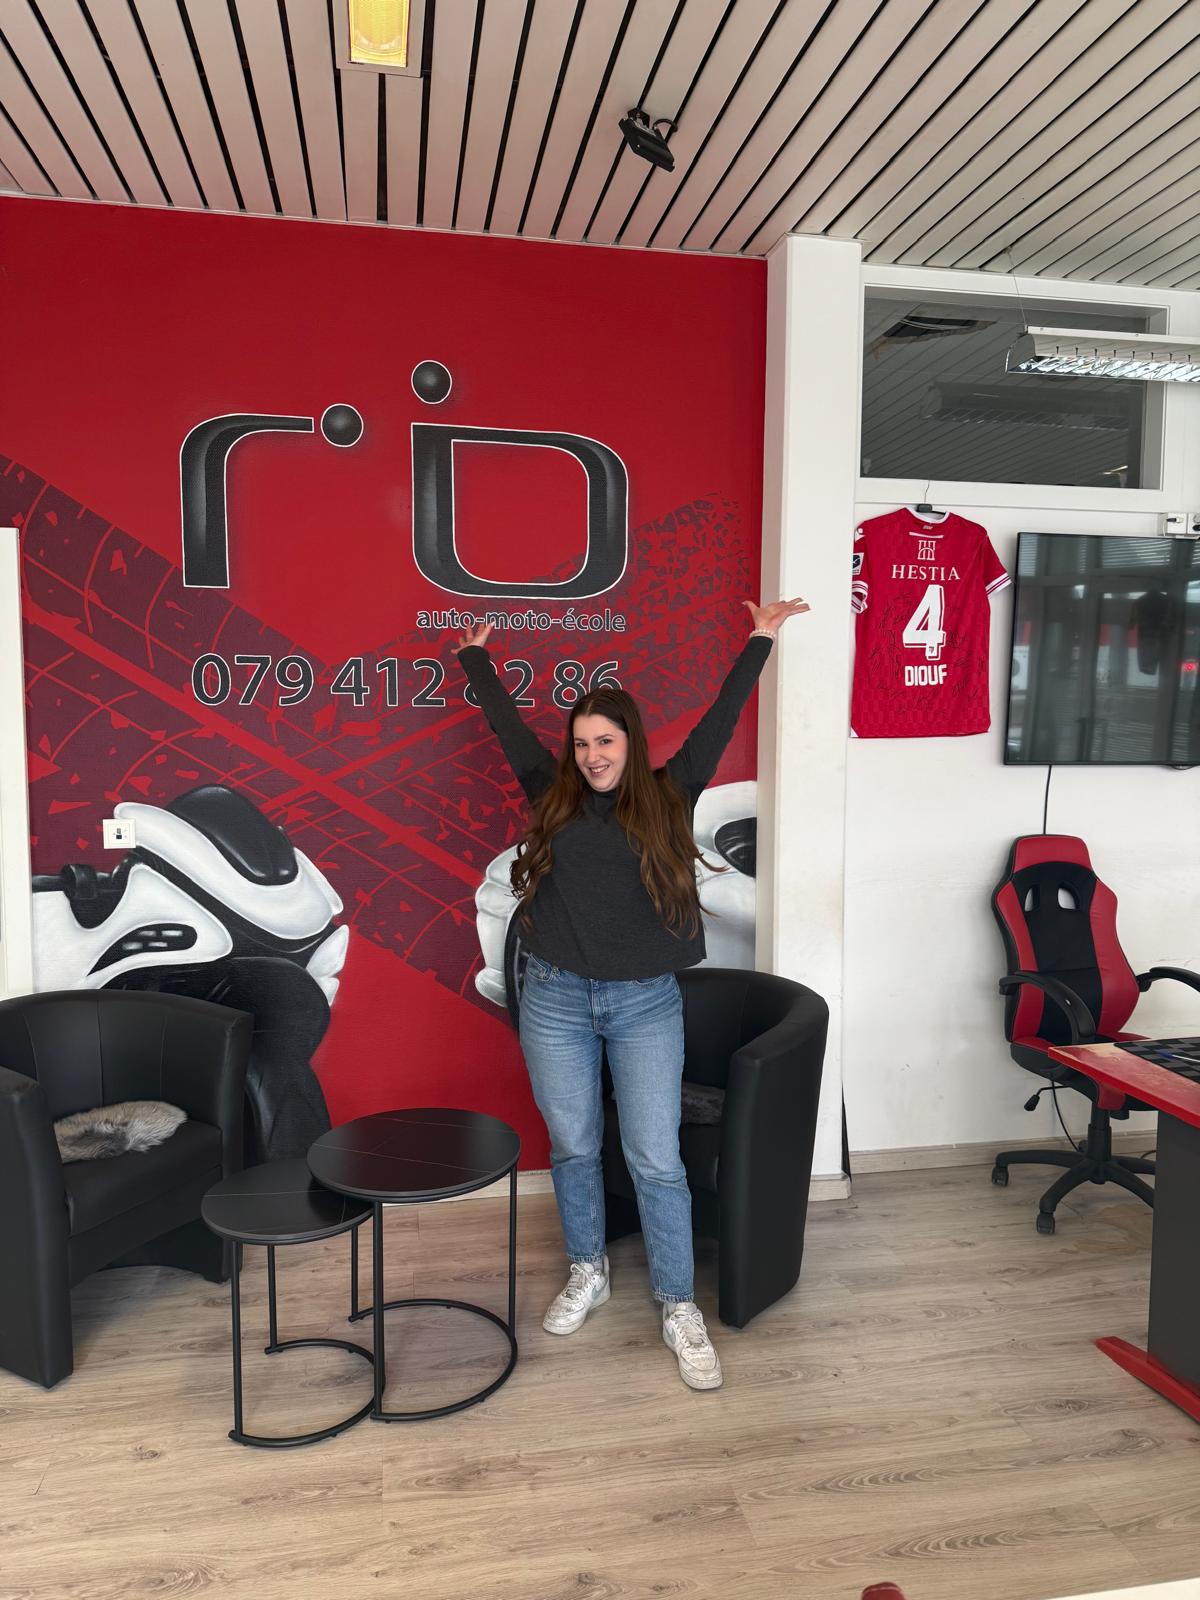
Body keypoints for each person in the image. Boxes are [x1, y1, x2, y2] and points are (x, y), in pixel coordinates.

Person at [454, 597, 809, 1389]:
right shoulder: (550, 794)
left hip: (644, 1003)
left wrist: (759, 638)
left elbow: (720, 718)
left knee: (655, 1159)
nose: (592, 756)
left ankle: (678, 1304)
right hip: (554, 999)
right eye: (581, 743)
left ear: (629, 743)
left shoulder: (671, 794)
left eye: (605, 742)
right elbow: (506, 728)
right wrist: (475, 658)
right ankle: (589, 1269)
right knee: (575, 1146)